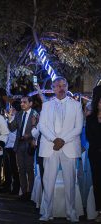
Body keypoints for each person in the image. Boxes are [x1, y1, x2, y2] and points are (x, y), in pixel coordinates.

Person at [38, 76, 83, 222]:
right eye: (58, 86)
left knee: (70, 183)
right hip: (50, 147)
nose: (61, 88)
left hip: (69, 147)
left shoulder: (76, 105)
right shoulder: (46, 105)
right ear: (53, 88)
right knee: (48, 182)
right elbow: (42, 126)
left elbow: (78, 127)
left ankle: (71, 213)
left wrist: (63, 140)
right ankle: (46, 213)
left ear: (67, 87)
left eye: (64, 85)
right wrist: (54, 139)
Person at [7, 96, 38, 201]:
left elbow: (39, 130)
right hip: (19, 145)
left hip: (29, 144)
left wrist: (29, 136)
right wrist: (10, 117)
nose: (22, 104)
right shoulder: (19, 114)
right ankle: (24, 193)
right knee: (21, 170)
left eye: (24, 102)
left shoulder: (35, 114)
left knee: (29, 169)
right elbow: (12, 128)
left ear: (30, 103)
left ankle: (31, 193)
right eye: (21, 102)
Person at [86, 86, 101, 222]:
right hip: (95, 154)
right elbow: (89, 137)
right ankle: (99, 211)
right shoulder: (90, 119)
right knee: (97, 182)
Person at [1, 100, 21, 195]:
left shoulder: (16, 119)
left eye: (12, 108)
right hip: (7, 146)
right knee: (8, 168)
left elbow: (13, 133)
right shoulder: (9, 118)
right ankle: (7, 185)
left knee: (14, 169)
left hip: (13, 147)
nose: (10, 110)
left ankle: (15, 188)